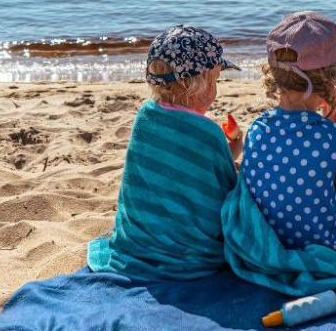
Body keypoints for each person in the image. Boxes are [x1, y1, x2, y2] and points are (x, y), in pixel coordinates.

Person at [86, 25, 243, 280]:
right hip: (194, 255)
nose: (216, 89)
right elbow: (221, 189)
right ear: (197, 86)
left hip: (138, 242)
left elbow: (174, 172)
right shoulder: (208, 132)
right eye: (215, 80)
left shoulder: (145, 117)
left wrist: (229, 151)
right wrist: (234, 155)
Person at [240, 11, 336, 257]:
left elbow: (272, 189)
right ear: (331, 75)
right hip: (320, 251)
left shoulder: (257, 128)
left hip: (267, 246)